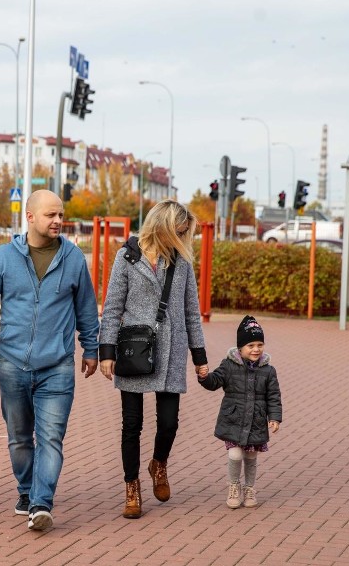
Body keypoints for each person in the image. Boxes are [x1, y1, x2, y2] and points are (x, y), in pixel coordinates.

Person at [0, 189, 99, 531]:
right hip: (11, 365)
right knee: (19, 437)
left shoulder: (74, 259)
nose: (57, 221)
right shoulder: (3, 258)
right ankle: (25, 490)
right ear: (31, 217)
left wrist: (91, 348)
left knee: (51, 437)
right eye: (51, 215)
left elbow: (86, 309)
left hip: (58, 366)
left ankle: (41, 503)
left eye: (61, 215)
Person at [98, 199, 209, 519]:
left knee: (170, 422)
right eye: (180, 231)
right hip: (135, 348)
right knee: (131, 424)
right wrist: (107, 352)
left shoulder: (182, 263)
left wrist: (199, 357)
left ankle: (158, 464)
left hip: (171, 350)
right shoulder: (126, 257)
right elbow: (113, 307)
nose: (184, 238)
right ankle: (131, 487)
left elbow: (191, 313)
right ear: (163, 226)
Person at [197, 315, 283, 509]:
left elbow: (274, 396)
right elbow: (215, 381)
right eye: (251, 345)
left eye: (260, 345)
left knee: (251, 458)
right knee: (235, 455)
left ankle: (250, 488)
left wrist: (275, 417)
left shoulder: (268, 370)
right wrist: (204, 377)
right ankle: (234, 486)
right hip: (233, 419)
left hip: (256, 421)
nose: (256, 349)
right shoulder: (229, 365)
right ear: (240, 348)